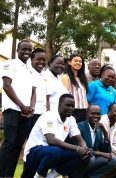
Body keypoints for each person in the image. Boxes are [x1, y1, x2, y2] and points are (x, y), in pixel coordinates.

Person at [22, 94, 90, 178]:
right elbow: (51, 141)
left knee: (83, 156)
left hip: (53, 154)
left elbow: (79, 139)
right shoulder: (49, 116)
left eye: (72, 106)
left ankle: (51, 176)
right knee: (55, 150)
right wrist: (77, 148)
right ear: (59, 105)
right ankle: (39, 176)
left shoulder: (71, 119)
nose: (71, 108)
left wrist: (84, 148)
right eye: (68, 105)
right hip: (34, 153)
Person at [0, 39, 36, 177]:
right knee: (9, 142)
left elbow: (33, 91)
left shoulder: (30, 69)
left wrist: (31, 107)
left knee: (17, 146)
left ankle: (9, 174)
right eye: (24, 49)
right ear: (18, 50)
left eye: (29, 50)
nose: (27, 52)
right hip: (12, 109)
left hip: (26, 112)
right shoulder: (10, 64)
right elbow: (7, 86)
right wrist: (22, 106)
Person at [75, 104, 116, 178]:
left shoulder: (98, 129)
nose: (96, 116)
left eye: (98, 114)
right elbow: (81, 149)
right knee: (90, 159)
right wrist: (102, 154)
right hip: (79, 159)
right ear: (87, 114)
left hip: (91, 158)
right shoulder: (80, 126)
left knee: (114, 160)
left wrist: (105, 133)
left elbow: (107, 151)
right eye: (93, 113)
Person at [61, 54, 89, 122]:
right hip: (72, 110)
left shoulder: (83, 79)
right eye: (75, 61)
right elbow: (63, 95)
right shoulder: (65, 77)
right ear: (69, 62)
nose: (78, 63)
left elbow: (85, 96)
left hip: (83, 110)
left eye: (80, 61)